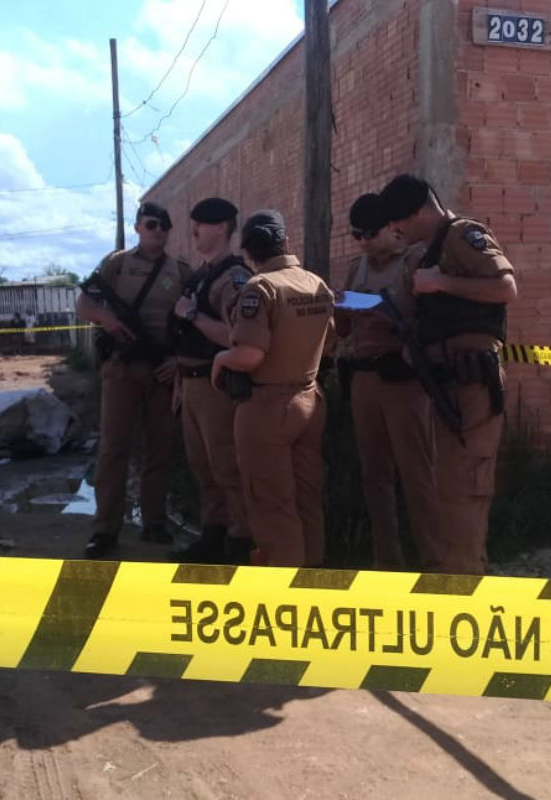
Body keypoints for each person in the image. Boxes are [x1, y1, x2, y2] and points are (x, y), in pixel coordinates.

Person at [377, 174, 517, 575]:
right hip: (448, 385)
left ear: (418, 211)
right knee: (449, 488)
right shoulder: (431, 250)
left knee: (464, 490)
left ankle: (465, 585)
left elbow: (505, 288)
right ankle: (455, 578)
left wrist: (441, 282)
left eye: (397, 222)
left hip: (472, 383)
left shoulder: (462, 234)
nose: (396, 232)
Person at [212, 210, 335, 567]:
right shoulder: (315, 283)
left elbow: (249, 355)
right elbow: (330, 342)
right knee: (307, 497)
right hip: (310, 400)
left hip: (267, 408)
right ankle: (312, 577)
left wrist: (221, 359)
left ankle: (282, 586)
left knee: (271, 504)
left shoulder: (260, 288)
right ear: (286, 242)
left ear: (249, 251)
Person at [76, 201, 191, 558]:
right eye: (152, 224)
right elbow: (84, 305)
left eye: (165, 226)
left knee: (159, 450)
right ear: (138, 226)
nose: (159, 231)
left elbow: (191, 324)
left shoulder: (180, 271)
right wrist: (108, 321)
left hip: (161, 371)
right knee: (114, 448)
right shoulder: (117, 264)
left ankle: (154, 521)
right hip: (122, 369)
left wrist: (178, 361)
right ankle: (105, 528)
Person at [335, 193, 440, 570]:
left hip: (403, 380)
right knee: (375, 475)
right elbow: (342, 328)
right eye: (356, 235)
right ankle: (388, 561)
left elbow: (431, 321)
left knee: (418, 474)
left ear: (390, 229)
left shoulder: (414, 260)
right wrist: (339, 306)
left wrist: (387, 316)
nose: (362, 242)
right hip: (364, 377)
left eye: (369, 233)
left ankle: (435, 562)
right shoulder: (357, 269)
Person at [168, 197, 255, 564]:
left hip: (216, 385)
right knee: (203, 467)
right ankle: (213, 536)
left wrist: (193, 316)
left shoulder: (234, 278)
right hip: (191, 383)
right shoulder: (203, 274)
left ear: (220, 227)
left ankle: (240, 541)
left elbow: (237, 336)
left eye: (200, 225)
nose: (193, 231)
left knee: (227, 468)